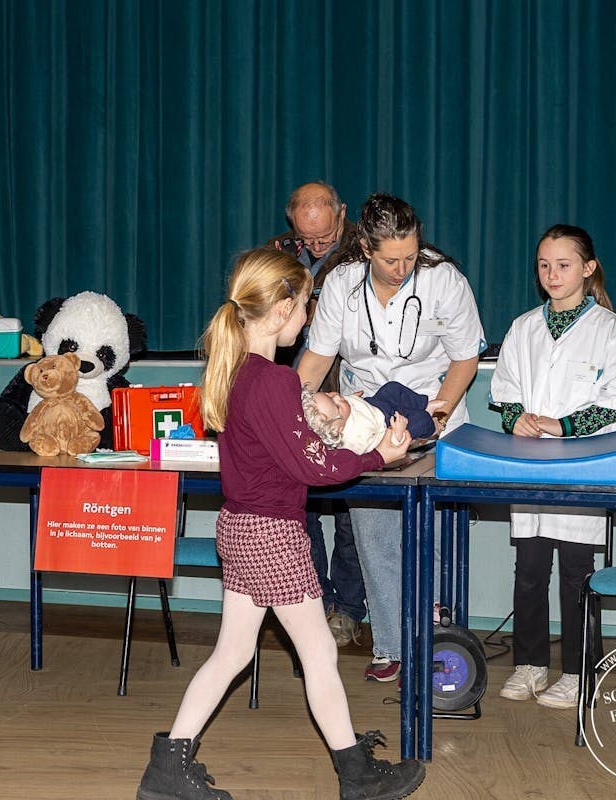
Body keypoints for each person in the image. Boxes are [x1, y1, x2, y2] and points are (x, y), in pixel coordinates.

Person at [136, 248, 424, 800]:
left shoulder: (237, 373)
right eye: (307, 305)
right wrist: (378, 456)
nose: (309, 317)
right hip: (272, 534)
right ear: (284, 309)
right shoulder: (273, 381)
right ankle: (357, 777)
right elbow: (312, 467)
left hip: (240, 528)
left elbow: (293, 454)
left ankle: (167, 768)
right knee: (318, 653)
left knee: (233, 653)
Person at [298, 193, 485, 683]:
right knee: (374, 534)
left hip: (435, 416)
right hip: (366, 425)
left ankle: (438, 644)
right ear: (365, 247)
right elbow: (318, 357)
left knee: (433, 538)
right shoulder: (341, 283)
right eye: (390, 260)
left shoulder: (444, 280)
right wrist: (290, 409)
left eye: (410, 257)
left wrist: (437, 414)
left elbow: (465, 357)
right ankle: (392, 646)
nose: (402, 268)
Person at [490, 225, 616, 709]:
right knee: (529, 570)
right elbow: (505, 390)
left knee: (577, 573)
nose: (552, 274)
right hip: (530, 467)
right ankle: (530, 664)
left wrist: (562, 426)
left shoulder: (610, 331)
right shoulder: (523, 327)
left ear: (588, 268)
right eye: (544, 265)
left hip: (582, 466)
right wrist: (516, 418)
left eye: (564, 265)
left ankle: (578, 670)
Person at [267, 181, 366, 648]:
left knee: (350, 513)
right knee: (298, 508)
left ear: (342, 213)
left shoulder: (366, 252)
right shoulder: (278, 253)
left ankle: (347, 609)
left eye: (325, 236)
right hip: (294, 394)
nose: (317, 245)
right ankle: (313, 601)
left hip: (347, 398)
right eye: (307, 238)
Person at [302, 382, 440, 453]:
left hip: (375, 404)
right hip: (388, 426)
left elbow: (341, 402)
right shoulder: (356, 439)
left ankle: (423, 404)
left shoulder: (339, 411)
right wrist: (397, 434)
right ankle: (432, 428)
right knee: (420, 421)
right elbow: (380, 448)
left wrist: (353, 400)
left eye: (328, 394)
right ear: (338, 430)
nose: (337, 396)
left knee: (391, 388)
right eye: (337, 406)